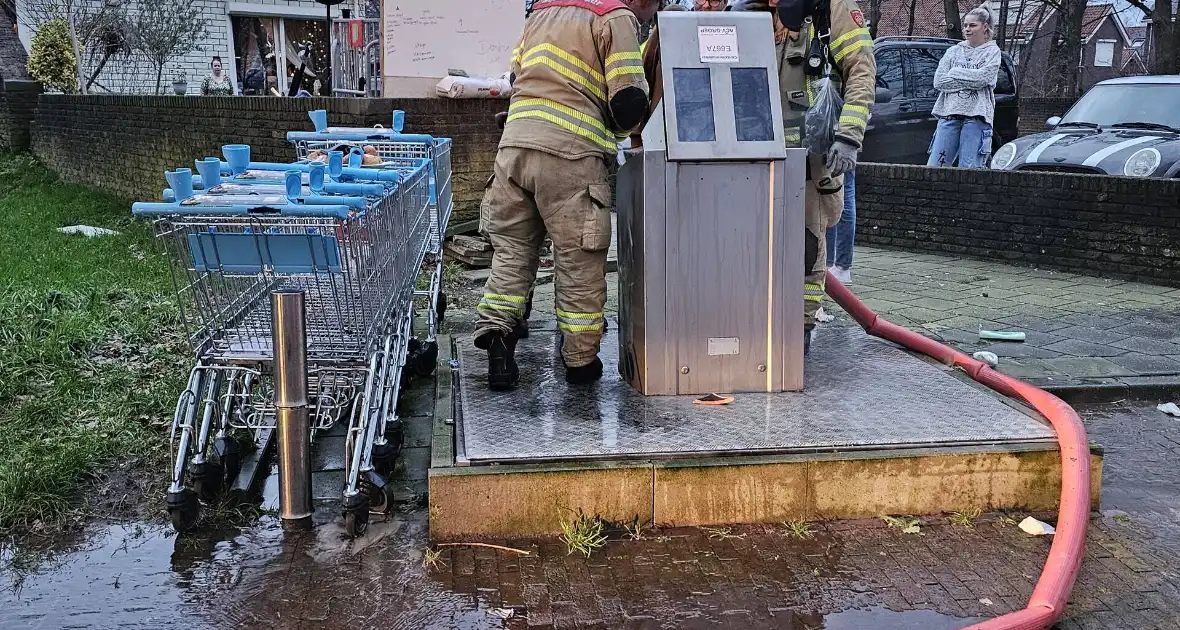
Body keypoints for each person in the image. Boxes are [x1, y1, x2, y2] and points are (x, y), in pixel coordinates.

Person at [475, 0, 650, 389]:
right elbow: (628, 100)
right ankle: (580, 362)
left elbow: (516, 73)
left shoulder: (540, 13)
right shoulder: (613, 17)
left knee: (513, 252)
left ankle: (498, 340)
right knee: (579, 262)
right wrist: (629, 130)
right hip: (570, 156)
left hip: (514, 149)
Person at [729, 0, 875, 355]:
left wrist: (848, 135)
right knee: (742, 240)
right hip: (747, 152)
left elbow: (860, 69)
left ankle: (800, 326)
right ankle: (744, 316)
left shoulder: (830, 7)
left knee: (807, 245)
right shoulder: (744, 11)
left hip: (808, 160)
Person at [926, 4, 1000, 168]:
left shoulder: (992, 52)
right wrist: (971, 79)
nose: (967, 29)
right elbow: (939, 81)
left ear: (985, 27)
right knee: (935, 168)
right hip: (949, 114)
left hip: (977, 116)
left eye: (972, 25)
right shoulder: (953, 51)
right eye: (965, 25)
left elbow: (983, 78)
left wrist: (955, 71)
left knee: (969, 169)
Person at [826, 167, 854, 284]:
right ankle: (833, 264)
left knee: (836, 196)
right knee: (832, 197)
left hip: (836, 150)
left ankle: (840, 266)